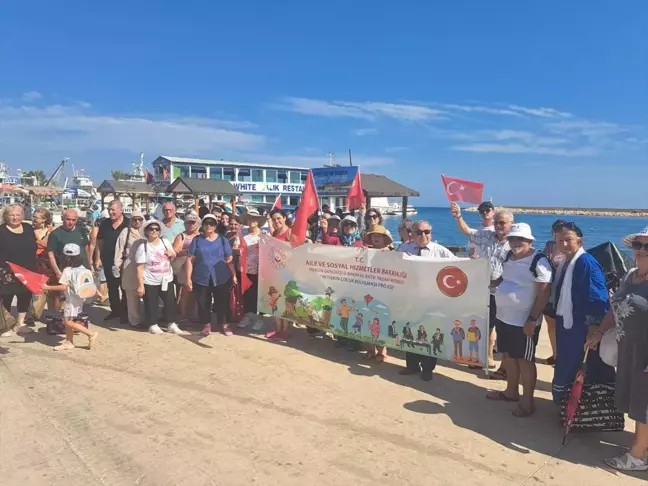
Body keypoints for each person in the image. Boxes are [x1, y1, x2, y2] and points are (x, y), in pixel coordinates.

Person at [586, 227, 648, 472]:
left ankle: (637, 456)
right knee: (636, 400)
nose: (642, 250)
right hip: (628, 349)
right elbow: (614, 309)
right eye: (638, 245)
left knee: (644, 405)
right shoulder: (631, 274)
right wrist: (600, 332)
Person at [486, 223, 552, 418]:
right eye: (512, 238)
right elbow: (504, 279)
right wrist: (492, 283)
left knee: (525, 360)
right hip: (504, 318)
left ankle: (528, 402)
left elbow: (544, 293)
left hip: (524, 322)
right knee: (508, 356)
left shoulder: (539, 261)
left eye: (520, 239)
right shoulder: (508, 256)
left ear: (530, 241)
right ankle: (511, 392)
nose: (515, 243)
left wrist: (532, 319)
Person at [551, 222, 616, 404]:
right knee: (569, 363)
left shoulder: (586, 262)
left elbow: (598, 298)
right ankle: (567, 406)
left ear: (580, 241)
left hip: (582, 329)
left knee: (582, 367)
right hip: (569, 327)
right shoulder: (567, 262)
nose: (563, 244)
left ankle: (580, 409)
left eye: (568, 240)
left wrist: (594, 329)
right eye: (559, 240)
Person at [451, 203, 514, 372]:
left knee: (503, 327)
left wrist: (498, 281)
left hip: (504, 292)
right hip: (484, 290)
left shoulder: (515, 243)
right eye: (498, 222)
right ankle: (487, 357)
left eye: (504, 223)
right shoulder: (487, 235)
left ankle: (501, 364)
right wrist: (458, 216)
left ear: (511, 224)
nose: (500, 226)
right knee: (486, 324)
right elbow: (467, 231)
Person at [397, 221, 455, 380]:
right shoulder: (405, 248)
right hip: (411, 299)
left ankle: (428, 368)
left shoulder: (441, 251)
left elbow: (459, 266)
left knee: (430, 334)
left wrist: (473, 262)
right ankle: (412, 365)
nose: (423, 235)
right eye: (419, 232)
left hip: (432, 300)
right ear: (412, 234)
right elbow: (393, 264)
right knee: (410, 332)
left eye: (427, 232)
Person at [186, 214, 236, 337]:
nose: (209, 226)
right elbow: (189, 260)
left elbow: (229, 259)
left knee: (223, 302)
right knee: (203, 302)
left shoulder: (223, 240)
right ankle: (206, 324)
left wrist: (234, 275)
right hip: (201, 276)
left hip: (221, 276)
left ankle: (224, 324)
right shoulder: (197, 240)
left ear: (215, 225)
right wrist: (188, 278)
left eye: (212, 223)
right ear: (202, 225)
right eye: (206, 223)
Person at [42, 243, 99, 351]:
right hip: (79, 299)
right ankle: (69, 341)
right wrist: (98, 293)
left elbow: (64, 287)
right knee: (68, 319)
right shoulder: (85, 269)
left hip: (71, 300)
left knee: (68, 321)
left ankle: (90, 334)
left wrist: (47, 287)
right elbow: (89, 284)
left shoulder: (68, 271)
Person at [135, 219, 185, 335]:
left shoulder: (165, 242)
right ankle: (152, 324)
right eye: (151, 229)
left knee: (170, 302)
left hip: (166, 278)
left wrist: (171, 254)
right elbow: (139, 267)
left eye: (156, 229)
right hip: (150, 279)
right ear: (146, 231)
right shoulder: (143, 247)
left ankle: (171, 323)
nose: (154, 231)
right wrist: (140, 285)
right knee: (151, 303)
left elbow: (173, 255)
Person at [0, 204, 38, 336]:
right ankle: (6, 325)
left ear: (22, 216)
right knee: (6, 297)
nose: (15, 217)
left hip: (28, 270)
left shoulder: (28, 228)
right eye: (12, 215)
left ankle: (20, 323)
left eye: (18, 215)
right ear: (6, 216)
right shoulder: (1, 230)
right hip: (7, 271)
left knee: (25, 297)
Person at [48, 208, 92, 312]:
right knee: (63, 296)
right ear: (62, 219)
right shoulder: (55, 234)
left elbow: (86, 247)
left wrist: (90, 265)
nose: (70, 222)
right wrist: (57, 271)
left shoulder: (81, 230)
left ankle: (77, 317)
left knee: (80, 295)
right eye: (68, 219)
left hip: (82, 269)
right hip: (64, 270)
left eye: (73, 220)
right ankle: (60, 319)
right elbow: (50, 254)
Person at [95, 201, 130, 322]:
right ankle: (115, 311)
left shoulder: (129, 223)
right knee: (112, 287)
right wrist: (97, 258)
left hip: (125, 262)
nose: (111, 212)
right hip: (108, 260)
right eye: (109, 209)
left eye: (113, 210)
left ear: (121, 210)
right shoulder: (105, 224)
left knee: (125, 288)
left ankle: (125, 313)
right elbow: (100, 242)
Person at [541, 219, 568, 365]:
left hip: (565, 292)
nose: (558, 233)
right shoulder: (549, 246)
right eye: (556, 230)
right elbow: (543, 262)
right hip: (550, 291)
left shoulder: (570, 246)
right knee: (551, 324)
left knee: (564, 325)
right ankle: (556, 354)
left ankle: (564, 355)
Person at [113, 211, 145, 328]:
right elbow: (119, 249)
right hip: (129, 265)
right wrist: (116, 266)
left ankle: (149, 318)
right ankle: (134, 320)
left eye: (140, 219)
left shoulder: (147, 231)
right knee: (131, 294)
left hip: (146, 266)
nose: (137, 222)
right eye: (134, 219)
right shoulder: (125, 232)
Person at [172, 213, 200, 323]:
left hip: (197, 266)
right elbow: (175, 251)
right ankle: (183, 315)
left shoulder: (201, 235)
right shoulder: (181, 236)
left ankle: (192, 314)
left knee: (195, 292)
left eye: (193, 222)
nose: (191, 225)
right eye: (188, 222)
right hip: (184, 266)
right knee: (185, 291)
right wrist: (190, 252)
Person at [31, 208, 56, 319]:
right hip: (36, 265)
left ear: (44, 219)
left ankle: (53, 315)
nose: (33, 219)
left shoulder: (52, 231)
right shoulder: (30, 231)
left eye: (36, 217)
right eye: (34, 217)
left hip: (51, 265)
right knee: (37, 290)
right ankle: (34, 314)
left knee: (52, 291)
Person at [226, 215, 251, 323]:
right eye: (231, 224)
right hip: (227, 267)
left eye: (236, 224)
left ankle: (239, 315)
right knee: (229, 293)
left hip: (239, 269)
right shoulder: (226, 235)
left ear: (240, 225)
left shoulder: (243, 238)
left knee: (239, 294)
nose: (233, 226)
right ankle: (230, 314)